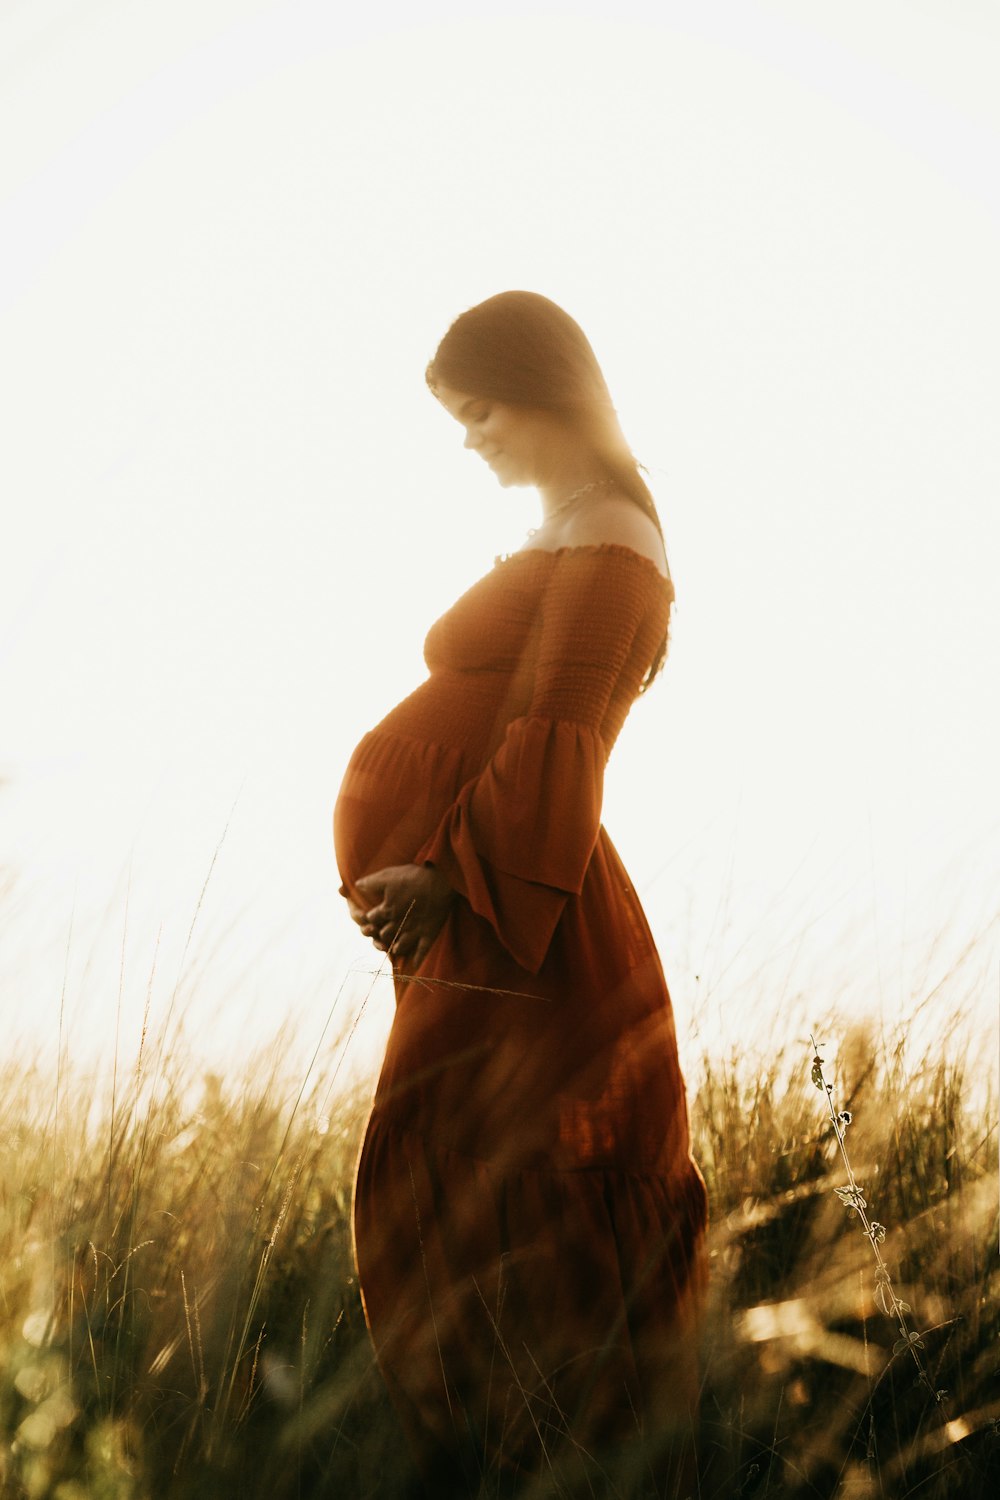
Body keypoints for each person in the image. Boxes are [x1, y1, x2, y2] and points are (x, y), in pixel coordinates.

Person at [333, 291, 707, 1498]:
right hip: (484, 912)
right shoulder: (571, 522)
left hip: (513, 912)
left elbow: (564, 733)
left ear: (542, 393)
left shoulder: (609, 536)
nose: (468, 438)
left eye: (477, 410)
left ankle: (540, 1462)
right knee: (455, 1188)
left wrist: (446, 874)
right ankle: (500, 1458)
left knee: (500, 1191)